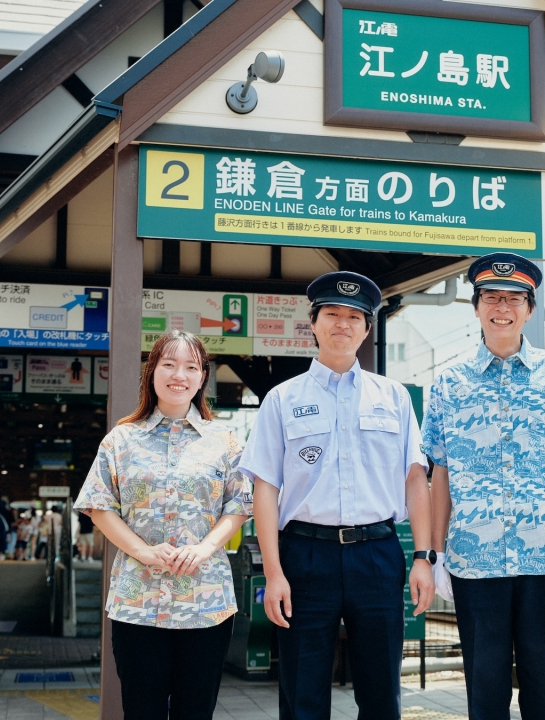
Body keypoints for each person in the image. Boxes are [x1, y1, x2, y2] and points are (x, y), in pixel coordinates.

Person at [239, 271, 434, 720]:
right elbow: (264, 489)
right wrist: (273, 572)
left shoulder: (395, 397)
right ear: (313, 322)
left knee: (382, 691)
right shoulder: (282, 400)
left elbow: (414, 479)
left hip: (377, 553)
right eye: (332, 314)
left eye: (354, 316)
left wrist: (423, 556)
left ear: (367, 328)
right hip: (305, 556)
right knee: (302, 693)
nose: (342, 324)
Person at [422, 253, 545, 720]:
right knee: (484, 690)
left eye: (513, 299)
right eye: (491, 297)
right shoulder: (448, 382)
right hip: (474, 560)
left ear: (529, 309)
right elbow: (439, 475)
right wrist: (437, 553)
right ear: (476, 307)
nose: (501, 307)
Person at [74, 330, 252, 720]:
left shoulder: (224, 441)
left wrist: (205, 548)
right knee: (142, 711)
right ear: (152, 371)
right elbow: (99, 506)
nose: (180, 375)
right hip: (137, 602)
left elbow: (240, 504)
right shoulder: (121, 439)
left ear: (203, 376)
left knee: (196, 711)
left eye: (191, 366)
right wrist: (143, 551)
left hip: (206, 603)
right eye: (169, 364)